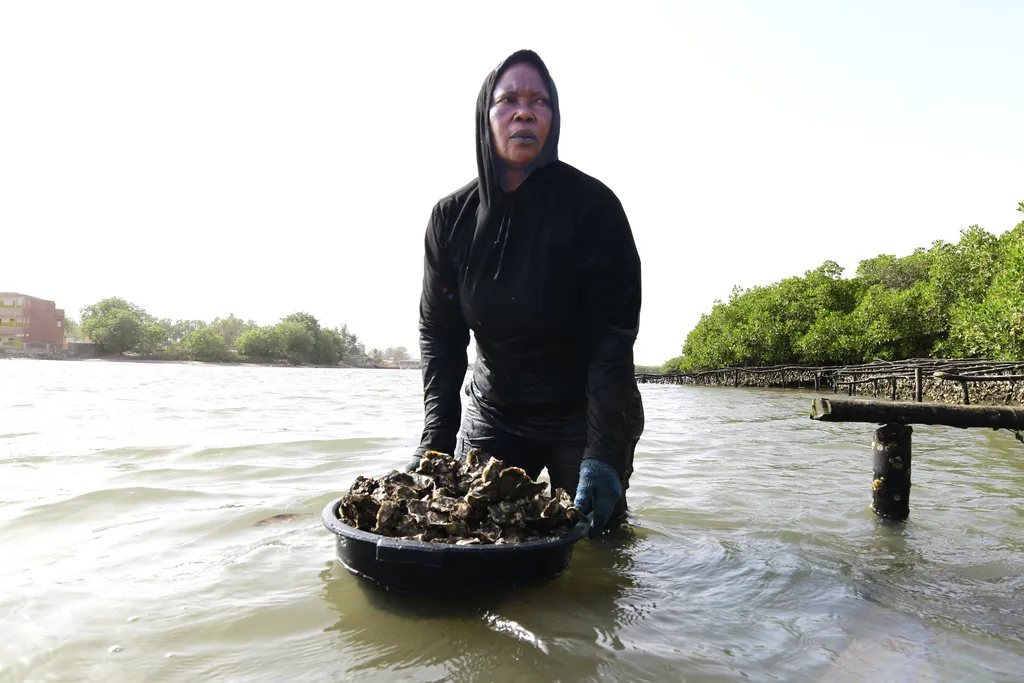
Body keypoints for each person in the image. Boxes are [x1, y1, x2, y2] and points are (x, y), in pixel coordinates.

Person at [406, 49, 644, 536]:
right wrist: (436, 439)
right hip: (495, 412)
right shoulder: (451, 219)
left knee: (595, 556)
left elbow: (612, 338)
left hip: (584, 413)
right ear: (485, 117)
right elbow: (440, 335)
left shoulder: (594, 208)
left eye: (540, 101)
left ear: (553, 118)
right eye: (508, 99)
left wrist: (601, 455)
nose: (524, 110)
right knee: (466, 538)